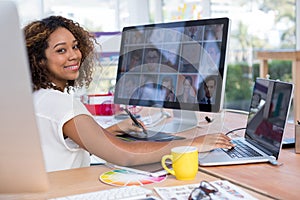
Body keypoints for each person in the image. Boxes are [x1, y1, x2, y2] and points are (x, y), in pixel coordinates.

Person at [23, 16, 234, 172]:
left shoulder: (40, 97)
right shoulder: (60, 104)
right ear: (39, 59)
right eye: (61, 50)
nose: (74, 56)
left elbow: (79, 140)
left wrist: (114, 129)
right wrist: (193, 144)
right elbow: (124, 155)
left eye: (75, 46)